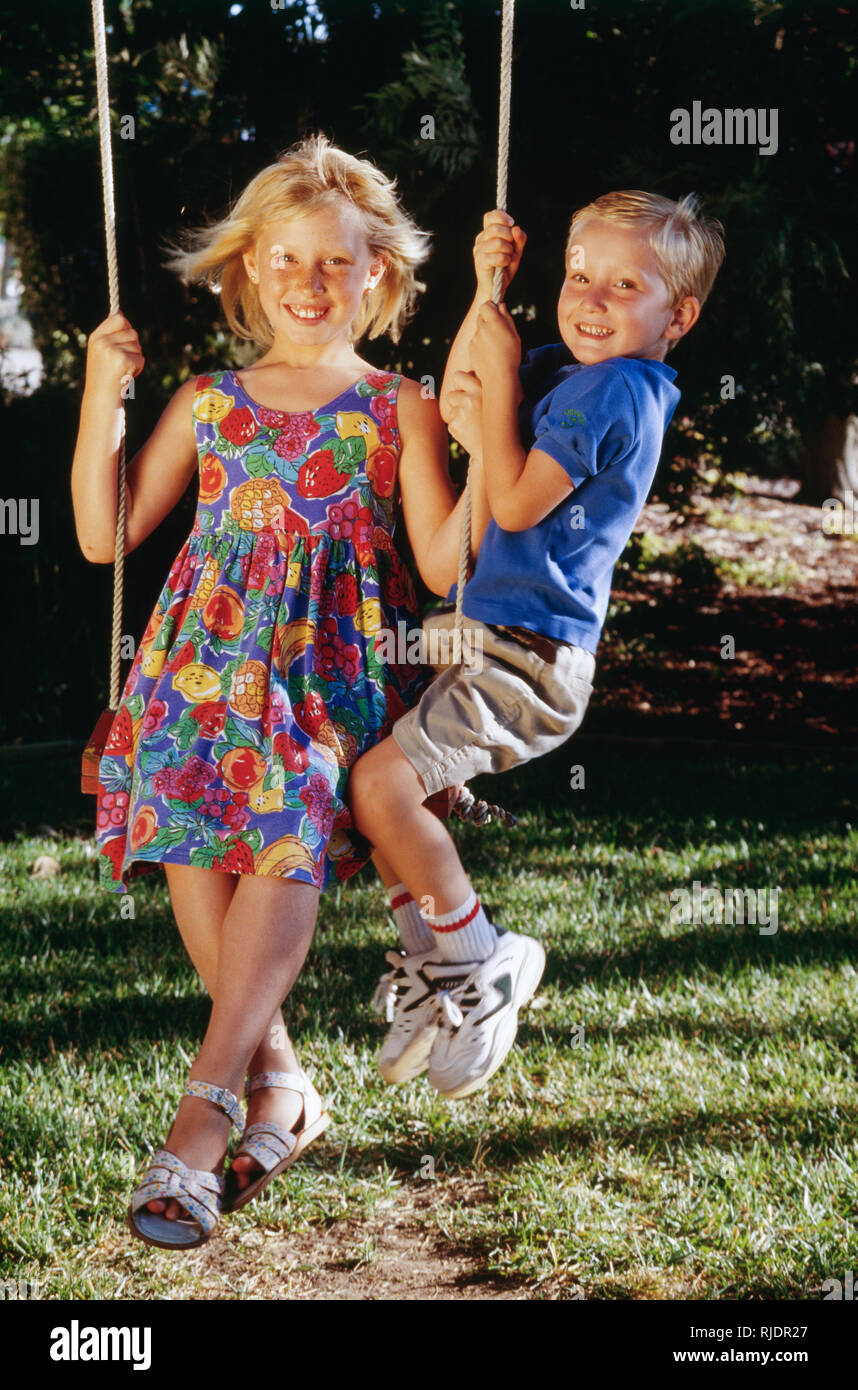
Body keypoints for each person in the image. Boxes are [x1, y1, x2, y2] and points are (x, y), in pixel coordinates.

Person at [71, 133, 492, 1249]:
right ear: (249, 268)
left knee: (284, 817)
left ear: (378, 276)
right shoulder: (208, 403)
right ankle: (283, 1086)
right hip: (196, 671)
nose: (311, 284)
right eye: (289, 260)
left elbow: (446, 563)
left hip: (327, 681)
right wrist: (99, 397)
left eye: (337, 264)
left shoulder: (395, 403)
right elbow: (103, 530)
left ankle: (204, 1118)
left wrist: (488, 436)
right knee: (197, 840)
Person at [350, 190, 726, 1101]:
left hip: (526, 653)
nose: (590, 298)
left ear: (677, 315)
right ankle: (438, 965)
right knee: (389, 799)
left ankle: (483, 963)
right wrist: (490, 291)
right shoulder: (576, 372)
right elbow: (463, 404)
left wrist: (499, 396)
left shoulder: (619, 390)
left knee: (379, 786)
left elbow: (511, 501)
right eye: (578, 276)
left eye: (622, 285)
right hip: (485, 636)